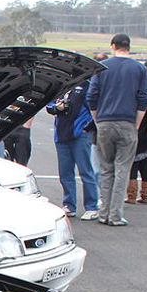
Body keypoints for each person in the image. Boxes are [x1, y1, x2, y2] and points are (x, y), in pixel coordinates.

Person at [85, 33, 147, 226]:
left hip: (104, 122)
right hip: (128, 122)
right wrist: (136, 124)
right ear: (128, 46)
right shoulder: (139, 69)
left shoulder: (102, 68)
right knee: (123, 168)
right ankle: (115, 214)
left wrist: (98, 119)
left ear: (113, 46)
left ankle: (103, 211)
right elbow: (142, 98)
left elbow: (92, 97)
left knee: (106, 168)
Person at [46, 80, 99, 217]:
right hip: (61, 134)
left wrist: (86, 128)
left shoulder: (86, 85)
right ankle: (69, 204)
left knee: (85, 171)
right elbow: (49, 106)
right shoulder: (60, 85)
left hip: (80, 134)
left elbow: (94, 108)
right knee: (65, 172)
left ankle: (91, 206)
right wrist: (57, 107)